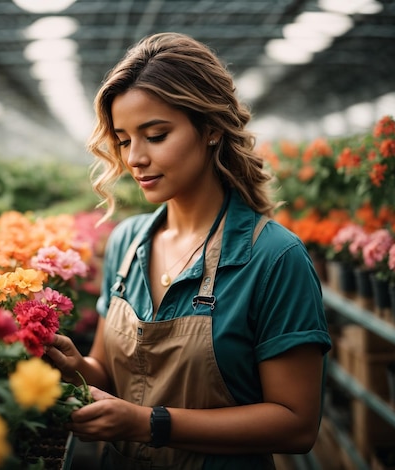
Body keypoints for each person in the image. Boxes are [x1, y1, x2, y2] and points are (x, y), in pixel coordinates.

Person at [45, 32, 332, 470]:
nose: (134, 157)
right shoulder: (126, 242)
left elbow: (295, 424)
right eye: (123, 140)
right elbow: (110, 374)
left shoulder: (273, 257)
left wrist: (149, 424)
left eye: (155, 135)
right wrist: (75, 367)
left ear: (212, 128)